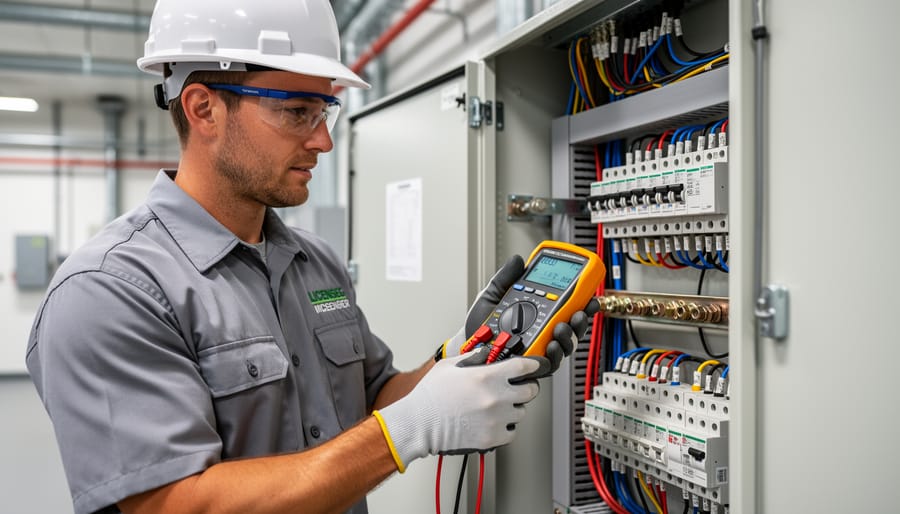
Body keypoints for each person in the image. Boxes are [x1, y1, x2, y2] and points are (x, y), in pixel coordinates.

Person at [25, 1, 598, 513]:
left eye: (324, 111)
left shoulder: (314, 262)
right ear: (203, 109)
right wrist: (408, 430)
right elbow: (176, 504)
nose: (323, 140)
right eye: (297, 111)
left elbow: (374, 398)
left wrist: (461, 356)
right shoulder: (109, 289)